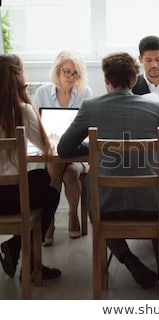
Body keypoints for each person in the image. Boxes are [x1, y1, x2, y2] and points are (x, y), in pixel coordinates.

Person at [57, 52, 159, 289]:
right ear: (134, 80)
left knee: (97, 193)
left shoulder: (90, 108)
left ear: (106, 80)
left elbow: (64, 149)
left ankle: (128, 259)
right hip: (153, 201)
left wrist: (96, 148)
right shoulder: (158, 108)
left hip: (107, 202)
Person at [0, 53, 61, 280]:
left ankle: (17, 249)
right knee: (48, 187)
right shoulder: (21, 110)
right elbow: (46, 147)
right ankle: (26, 257)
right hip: (12, 199)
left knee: (40, 181)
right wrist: (26, 99)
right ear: (19, 78)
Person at [33, 49, 94, 246]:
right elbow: (36, 125)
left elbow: (88, 128)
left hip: (76, 152)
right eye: (67, 71)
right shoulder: (43, 92)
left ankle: (65, 216)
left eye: (75, 73)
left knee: (65, 170)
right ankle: (54, 219)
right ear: (58, 71)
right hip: (51, 152)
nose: (70, 77)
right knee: (61, 170)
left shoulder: (86, 92)